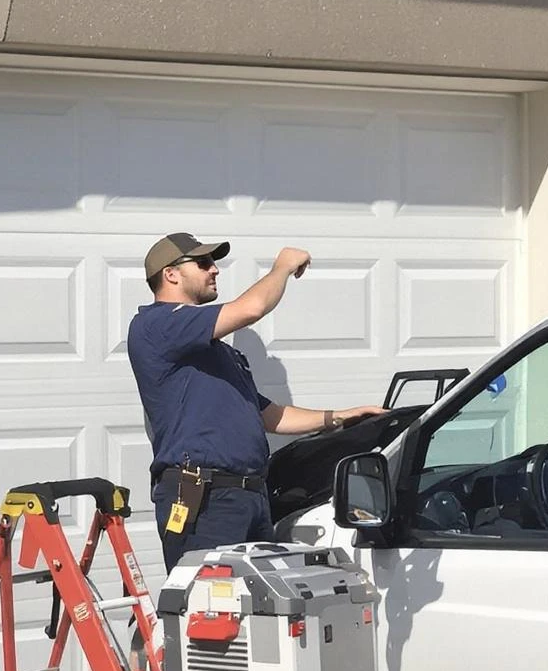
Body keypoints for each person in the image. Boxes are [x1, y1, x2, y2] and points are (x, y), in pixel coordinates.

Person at [128, 232, 380, 569]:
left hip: (251, 496)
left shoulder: (218, 352)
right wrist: (283, 266)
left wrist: (338, 417)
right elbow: (252, 308)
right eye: (203, 263)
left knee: (258, 614)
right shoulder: (156, 324)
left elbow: (267, 415)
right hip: (205, 499)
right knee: (211, 613)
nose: (214, 269)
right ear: (171, 274)